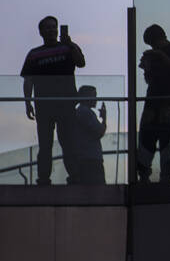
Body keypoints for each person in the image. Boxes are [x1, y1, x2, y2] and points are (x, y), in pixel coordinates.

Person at [21, 16, 86, 185]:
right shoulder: (34, 54)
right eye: (48, 28)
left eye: (54, 27)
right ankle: (43, 179)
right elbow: (28, 80)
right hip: (44, 106)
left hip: (66, 105)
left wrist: (70, 43)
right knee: (45, 146)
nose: (52, 30)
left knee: (69, 143)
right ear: (41, 32)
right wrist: (27, 102)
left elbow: (81, 63)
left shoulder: (68, 48)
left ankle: (75, 177)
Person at [136, 24, 170, 182]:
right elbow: (149, 80)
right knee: (146, 136)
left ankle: (166, 174)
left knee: (168, 138)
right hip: (152, 100)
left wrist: (159, 55)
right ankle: (143, 172)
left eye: (152, 43)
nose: (152, 46)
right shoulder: (154, 55)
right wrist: (147, 67)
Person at [62, 85, 107, 185]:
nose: (96, 99)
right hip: (91, 160)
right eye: (94, 95)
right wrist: (104, 119)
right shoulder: (85, 112)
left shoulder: (80, 112)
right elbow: (100, 131)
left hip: (85, 159)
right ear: (86, 96)